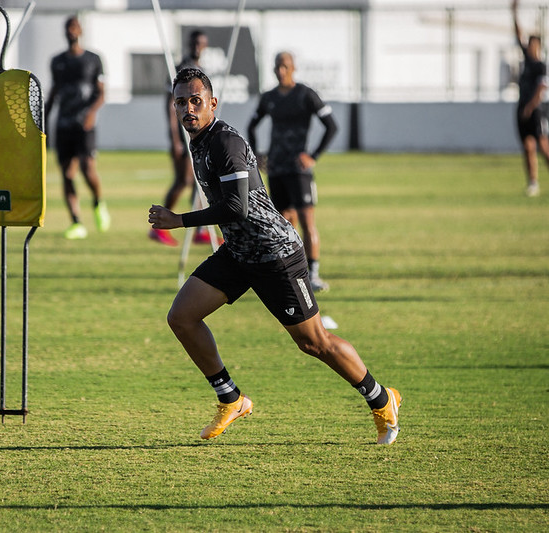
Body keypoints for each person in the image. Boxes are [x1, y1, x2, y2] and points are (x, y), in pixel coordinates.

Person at [148, 68, 401, 444]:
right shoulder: (198, 140)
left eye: (195, 101)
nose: (188, 108)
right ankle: (230, 399)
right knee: (182, 317)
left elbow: (236, 207)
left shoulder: (224, 143)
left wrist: (179, 220)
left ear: (212, 103)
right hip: (239, 252)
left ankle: (381, 399)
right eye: (181, 102)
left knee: (314, 343)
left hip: (274, 252)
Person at [247, 52, 337, 291]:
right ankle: (289, 272)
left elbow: (331, 126)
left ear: (294, 68)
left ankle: (313, 274)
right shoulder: (269, 98)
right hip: (276, 168)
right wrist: (257, 154)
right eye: (277, 66)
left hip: (299, 170)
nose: (281, 71)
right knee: (283, 223)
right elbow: (252, 125)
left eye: (285, 66)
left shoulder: (305, 94)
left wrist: (313, 156)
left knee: (307, 222)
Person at [45, 15, 111, 239]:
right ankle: (76, 222)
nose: (71, 31)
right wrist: (44, 120)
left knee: (87, 167)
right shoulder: (57, 61)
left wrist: (91, 113)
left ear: (80, 31)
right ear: (65, 32)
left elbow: (101, 93)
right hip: (63, 124)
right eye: (68, 28)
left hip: (84, 124)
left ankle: (98, 203)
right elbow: (54, 93)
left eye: (74, 27)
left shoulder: (93, 59)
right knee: (66, 173)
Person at [149, 30, 216, 246]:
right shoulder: (180, 69)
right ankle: (158, 226)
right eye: (195, 43)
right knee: (184, 179)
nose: (198, 47)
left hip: (197, 134)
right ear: (189, 44)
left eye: (202, 43)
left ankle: (200, 230)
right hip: (183, 135)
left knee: (199, 180)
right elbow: (170, 105)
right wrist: (175, 139)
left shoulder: (201, 70)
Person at [512, 0, 547, 197]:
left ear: (539, 47)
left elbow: (542, 87)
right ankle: (533, 183)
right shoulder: (526, 60)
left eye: (534, 45)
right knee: (528, 146)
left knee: (543, 146)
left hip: (537, 110)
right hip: (523, 108)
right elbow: (518, 35)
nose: (531, 48)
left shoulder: (541, 66)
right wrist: (514, 12)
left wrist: (531, 106)